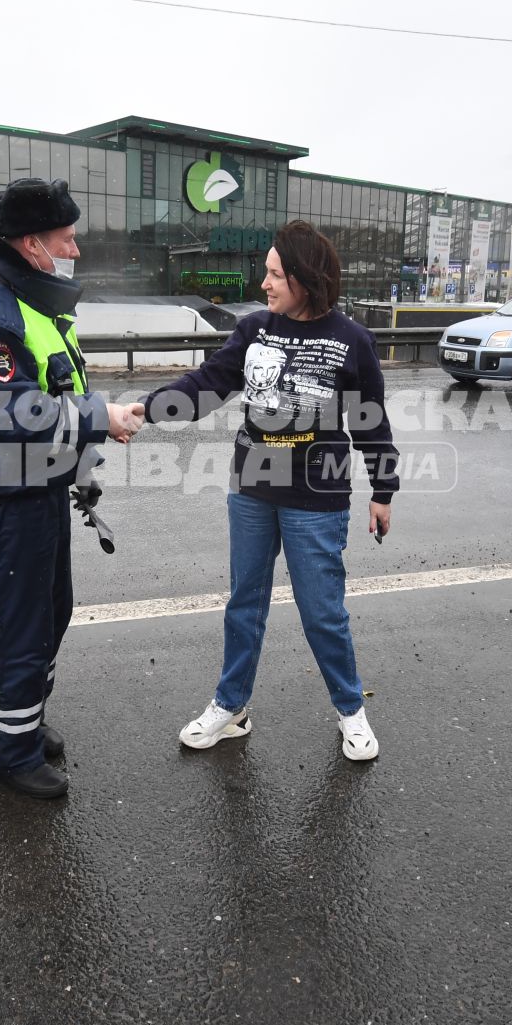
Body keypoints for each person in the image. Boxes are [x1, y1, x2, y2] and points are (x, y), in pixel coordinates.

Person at [137, 220, 400, 762]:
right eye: (267, 273)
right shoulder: (256, 328)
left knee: (322, 612)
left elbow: (370, 421)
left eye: (276, 274)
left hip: (316, 497)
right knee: (244, 604)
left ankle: (351, 711)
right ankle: (231, 707)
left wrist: (383, 490)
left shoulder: (352, 340)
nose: (265, 284)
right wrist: (153, 407)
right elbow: (209, 382)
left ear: (305, 278)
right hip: (252, 487)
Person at [0, 177, 142, 799]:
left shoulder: (35, 307)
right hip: (2, 496)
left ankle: (23, 721)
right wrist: (97, 417)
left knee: (51, 612)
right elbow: (12, 410)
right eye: (67, 238)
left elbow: (58, 395)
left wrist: (90, 436)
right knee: (20, 625)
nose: (75, 249)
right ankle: (14, 754)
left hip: (40, 487)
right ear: (32, 245)